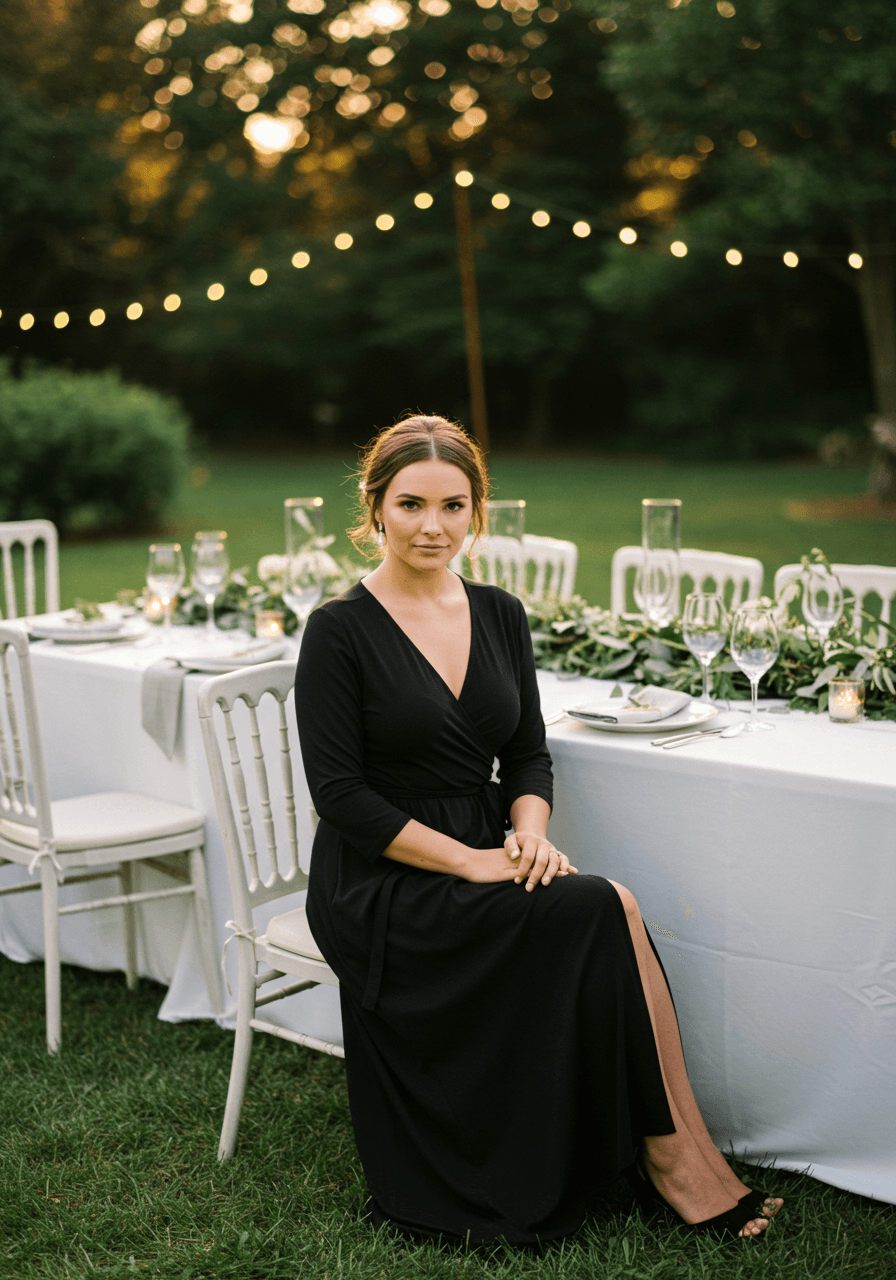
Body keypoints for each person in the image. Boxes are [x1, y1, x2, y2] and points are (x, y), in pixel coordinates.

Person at [294, 415, 782, 1245]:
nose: (432, 527)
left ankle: (678, 1153)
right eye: (411, 504)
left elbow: (526, 754)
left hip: (487, 846)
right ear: (375, 507)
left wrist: (527, 831)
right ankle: (677, 1165)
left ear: (477, 513)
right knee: (604, 906)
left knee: (606, 905)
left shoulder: (501, 612)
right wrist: (475, 865)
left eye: (454, 506)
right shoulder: (339, 630)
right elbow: (342, 796)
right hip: (382, 880)